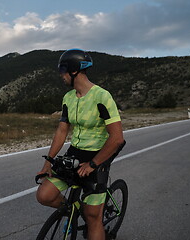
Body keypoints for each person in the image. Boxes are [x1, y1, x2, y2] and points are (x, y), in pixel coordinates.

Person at [36, 49, 125, 240]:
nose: (61, 75)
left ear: (74, 70)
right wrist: (48, 162)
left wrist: (93, 164)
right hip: (75, 152)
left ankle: (93, 217)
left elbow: (117, 138)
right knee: (44, 194)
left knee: (93, 218)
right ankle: (74, 210)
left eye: (62, 70)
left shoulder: (102, 96)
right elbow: (62, 131)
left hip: (98, 154)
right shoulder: (68, 98)